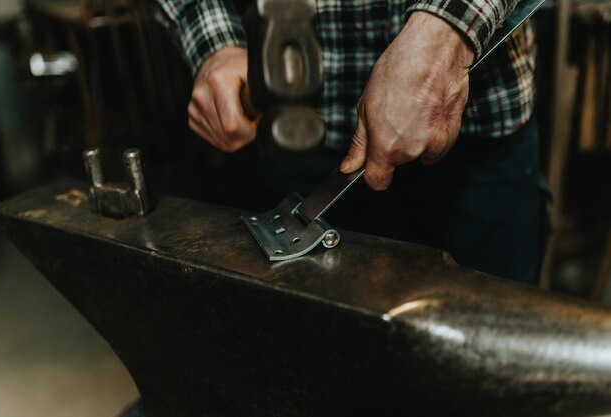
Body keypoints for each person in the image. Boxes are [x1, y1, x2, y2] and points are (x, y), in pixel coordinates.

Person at [156, 0, 551, 284]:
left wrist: (443, 37)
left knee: (483, 343)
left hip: (473, 117)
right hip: (287, 120)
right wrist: (214, 41)